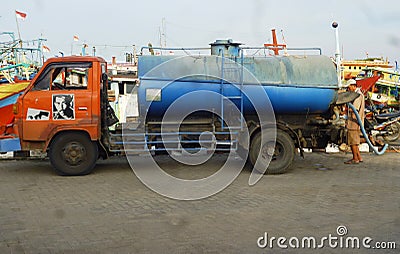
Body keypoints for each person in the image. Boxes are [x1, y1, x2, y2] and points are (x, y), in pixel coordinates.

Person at [344, 79, 365, 164]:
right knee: (355, 141)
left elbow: (354, 109)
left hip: (354, 122)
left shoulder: (357, 95)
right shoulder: (359, 94)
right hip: (356, 121)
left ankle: (355, 158)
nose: (348, 90)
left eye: (349, 88)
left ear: (353, 86)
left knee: (353, 141)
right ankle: (359, 157)